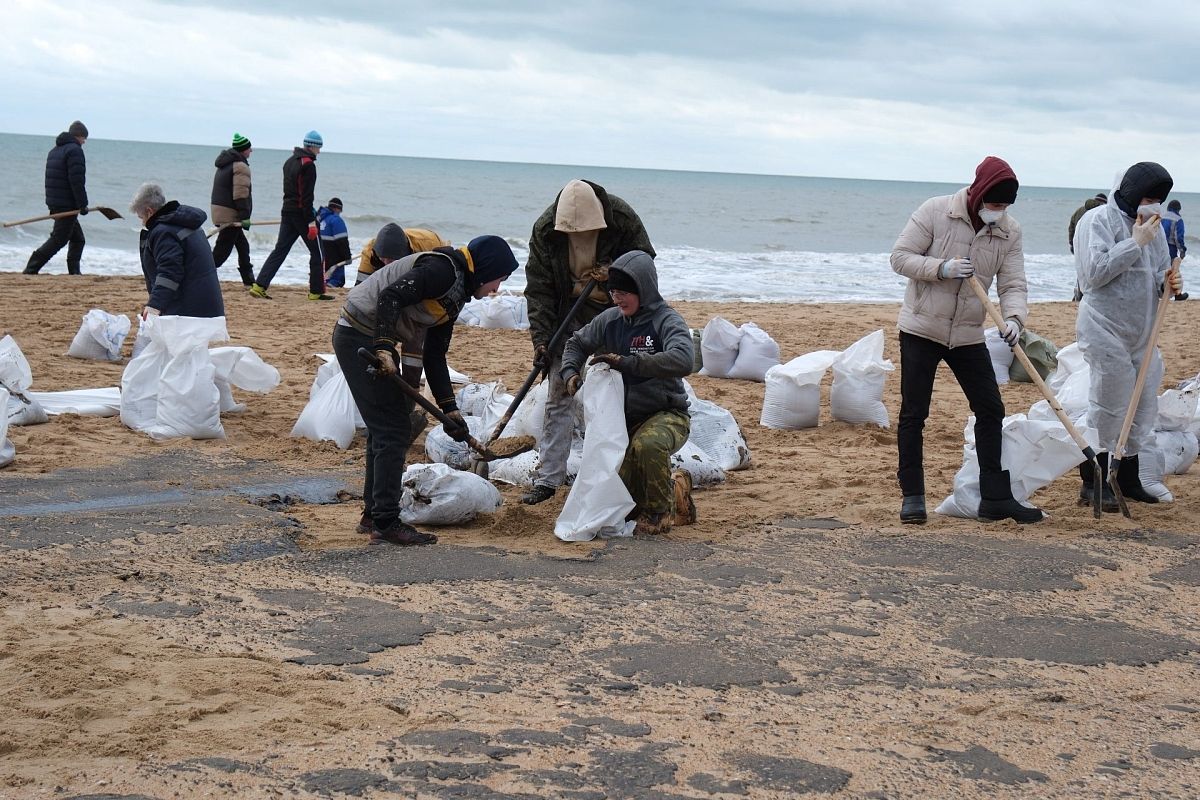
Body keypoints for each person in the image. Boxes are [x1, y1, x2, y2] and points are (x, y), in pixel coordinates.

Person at [333, 234, 518, 546]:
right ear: (485, 269)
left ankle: (374, 515)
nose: (496, 290)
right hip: (359, 336)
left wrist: (451, 412)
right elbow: (390, 297)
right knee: (392, 429)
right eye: (497, 280)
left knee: (385, 429)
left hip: (368, 338)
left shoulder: (455, 294)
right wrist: (383, 348)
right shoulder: (442, 270)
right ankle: (387, 522)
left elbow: (434, 356)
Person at [890, 155, 1043, 525]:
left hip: (969, 334)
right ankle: (913, 495)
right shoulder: (936, 211)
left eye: (1004, 206)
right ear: (977, 194)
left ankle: (995, 497)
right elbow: (900, 257)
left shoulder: (1008, 231)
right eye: (993, 203)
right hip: (921, 329)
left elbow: (1013, 284)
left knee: (990, 409)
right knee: (915, 413)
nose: (998, 211)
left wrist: (1014, 319)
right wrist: (940, 268)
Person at [520, 179, 656, 506]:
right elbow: (539, 289)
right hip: (570, 313)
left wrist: (615, 272)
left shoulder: (621, 218)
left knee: (622, 388)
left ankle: (626, 475)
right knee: (557, 387)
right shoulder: (545, 230)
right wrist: (542, 341)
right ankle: (549, 479)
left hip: (617, 310)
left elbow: (645, 263)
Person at [560, 250, 694, 535]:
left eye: (624, 292)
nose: (617, 299)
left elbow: (685, 359)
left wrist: (628, 363)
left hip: (666, 414)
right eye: (613, 292)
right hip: (622, 422)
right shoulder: (610, 320)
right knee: (617, 499)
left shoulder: (666, 320)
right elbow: (575, 344)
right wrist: (570, 373)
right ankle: (677, 488)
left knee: (647, 446)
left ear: (643, 289)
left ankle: (661, 515)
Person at [1074, 162, 1181, 509]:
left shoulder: (1155, 227)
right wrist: (1134, 243)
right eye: (1147, 197)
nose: (1152, 205)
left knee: (1142, 407)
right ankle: (1094, 482)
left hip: (1143, 331)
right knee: (1109, 406)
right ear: (1132, 193)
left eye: (1158, 199)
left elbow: (1157, 275)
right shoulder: (1098, 221)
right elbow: (1094, 275)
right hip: (1104, 326)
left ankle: (1129, 478)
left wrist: (1171, 284)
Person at [250, 131, 330, 301]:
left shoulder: (289, 161)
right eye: (319, 148)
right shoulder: (308, 165)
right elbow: (306, 196)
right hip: (302, 214)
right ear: (312, 146)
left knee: (280, 250)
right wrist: (311, 222)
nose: (320, 152)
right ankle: (316, 292)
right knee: (318, 252)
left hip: (287, 211)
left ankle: (259, 285)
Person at [129, 183, 225, 319]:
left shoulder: (163, 231)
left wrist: (154, 305)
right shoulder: (184, 222)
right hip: (207, 303)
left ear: (150, 211)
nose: (142, 223)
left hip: (190, 311)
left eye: (141, 217)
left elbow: (170, 272)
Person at [24, 121, 90, 275]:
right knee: (59, 239)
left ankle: (74, 272)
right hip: (66, 204)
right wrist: (83, 204)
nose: (84, 142)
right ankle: (31, 268)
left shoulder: (55, 150)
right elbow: (76, 180)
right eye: (83, 138)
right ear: (78, 136)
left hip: (55, 202)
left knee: (78, 239)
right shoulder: (75, 151)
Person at [210, 132, 255, 287]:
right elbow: (240, 194)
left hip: (220, 210)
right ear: (243, 150)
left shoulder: (226, 163)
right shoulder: (240, 166)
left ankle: (249, 281)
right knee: (222, 251)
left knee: (243, 246)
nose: (251, 151)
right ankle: (200, 274)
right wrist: (244, 217)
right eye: (249, 148)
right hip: (229, 214)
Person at [354, 225, 449, 285]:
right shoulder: (370, 251)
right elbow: (360, 287)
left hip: (430, 255)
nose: (387, 265)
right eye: (383, 259)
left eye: (391, 260)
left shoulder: (430, 243)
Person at [1069, 193, 1107, 301]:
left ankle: (1078, 294)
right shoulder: (1101, 213)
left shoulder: (1079, 211)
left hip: (1079, 246)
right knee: (1092, 272)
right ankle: (1084, 294)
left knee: (1080, 270)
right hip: (1092, 248)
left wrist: (1072, 244)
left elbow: (1071, 227)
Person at [318, 198, 352, 287]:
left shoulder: (320, 219)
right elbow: (342, 241)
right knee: (337, 281)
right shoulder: (336, 220)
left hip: (322, 257)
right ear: (337, 209)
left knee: (324, 278)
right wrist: (347, 257)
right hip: (335, 259)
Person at [1162, 199, 1188, 300]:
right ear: (1178, 209)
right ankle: (1177, 294)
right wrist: (1182, 250)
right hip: (1171, 248)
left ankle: (1161, 291)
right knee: (1174, 272)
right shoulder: (1178, 219)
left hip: (1160, 246)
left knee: (1161, 270)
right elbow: (1178, 238)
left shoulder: (1162, 216)